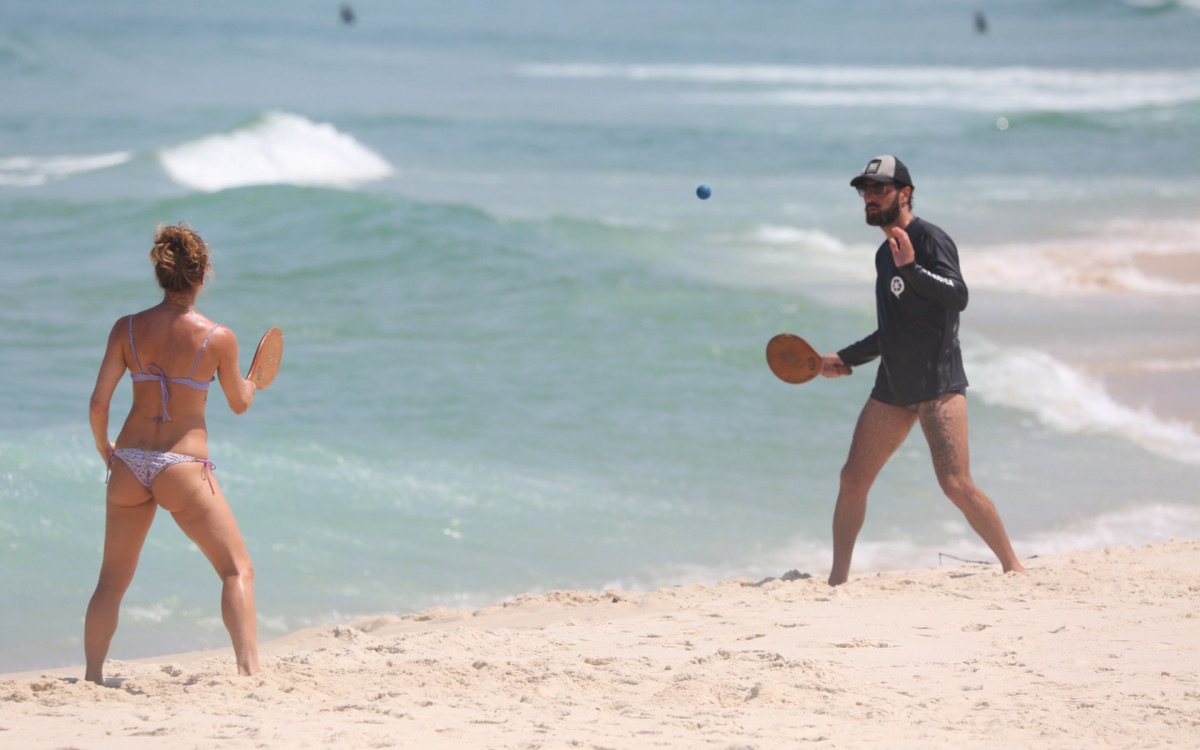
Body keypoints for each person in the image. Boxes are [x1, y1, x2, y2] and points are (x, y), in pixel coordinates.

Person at [821, 155, 1025, 586]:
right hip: (893, 387)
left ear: (905, 193)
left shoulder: (929, 238)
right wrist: (846, 358)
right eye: (866, 191)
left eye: (880, 189)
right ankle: (837, 581)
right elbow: (891, 329)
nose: (871, 198)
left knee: (955, 484)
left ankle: (1014, 568)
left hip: (937, 384)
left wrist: (912, 267)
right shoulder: (883, 255)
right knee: (852, 478)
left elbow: (959, 296)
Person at [86, 223, 259, 683]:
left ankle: (92, 677)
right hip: (181, 465)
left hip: (129, 461)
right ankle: (248, 673)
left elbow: (99, 402)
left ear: (161, 275)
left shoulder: (126, 328)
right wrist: (254, 383)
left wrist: (105, 445)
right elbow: (239, 403)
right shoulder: (217, 336)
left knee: (110, 582)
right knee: (235, 569)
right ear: (203, 275)